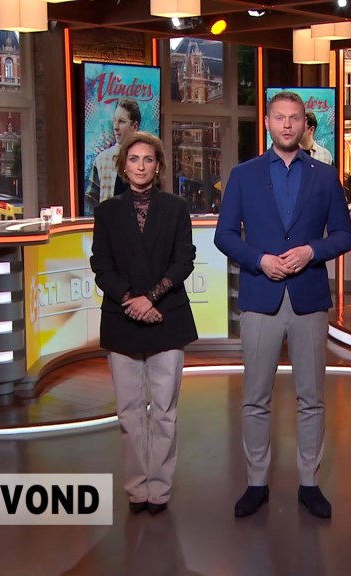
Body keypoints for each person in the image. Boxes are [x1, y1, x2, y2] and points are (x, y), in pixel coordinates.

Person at [215, 90, 351, 519]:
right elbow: (224, 236)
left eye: (295, 118)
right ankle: (256, 482)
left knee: (311, 398)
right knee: (255, 397)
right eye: (280, 117)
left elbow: (344, 235)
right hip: (261, 297)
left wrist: (312, 251)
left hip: (308, 299)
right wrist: (259, 260)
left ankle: (309, 483)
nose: (288, 124)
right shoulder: (244, 174)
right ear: (267, 123)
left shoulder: (325, 176)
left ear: (304, 123)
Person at [90, 131, 198, 516]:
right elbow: (101, 265)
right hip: (122, 319)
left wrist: (150, 298)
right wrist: (131, 301)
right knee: (129, 412)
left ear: (158, 166)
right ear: (123, 165)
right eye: (133, 159)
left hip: (167, 316)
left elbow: (184, 259)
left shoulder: (176, 208)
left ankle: (160, 488)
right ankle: (137, 487)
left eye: (148, 159)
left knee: (165, 410)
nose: (140, 166)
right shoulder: (107, 212)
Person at [86, 98, 140, 210]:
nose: (115, 127)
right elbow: (90, 203)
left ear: (135, 126)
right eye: (114, 120)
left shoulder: (145, 161)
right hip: (109, 220)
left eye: (121, 121)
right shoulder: (102, 160)